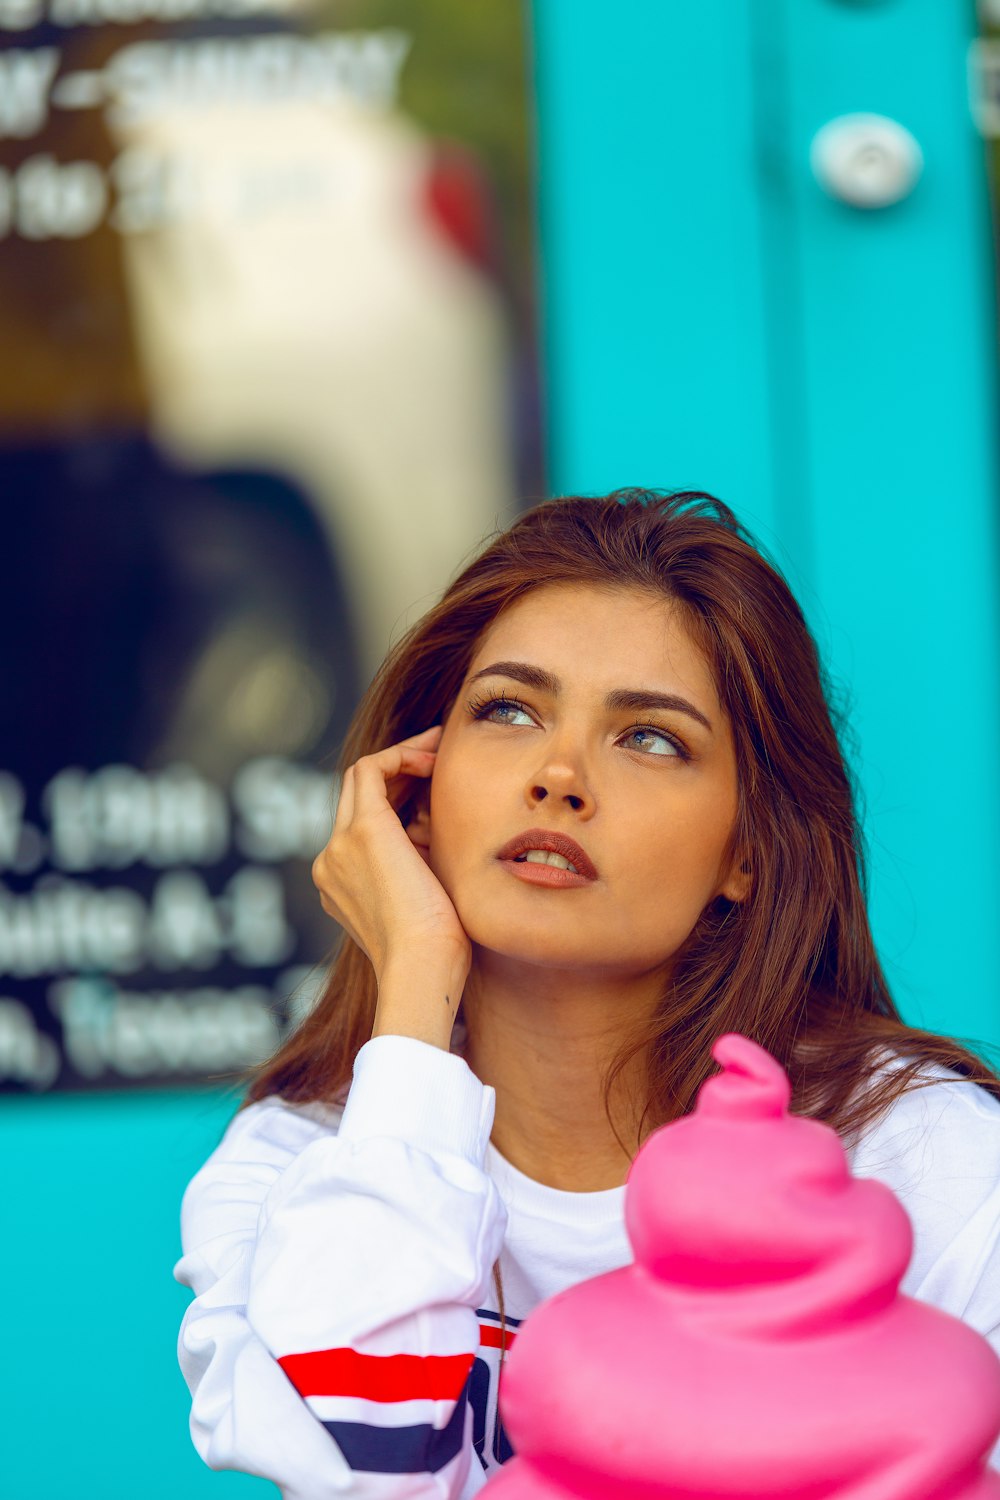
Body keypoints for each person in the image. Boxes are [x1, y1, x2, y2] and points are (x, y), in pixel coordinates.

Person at [175, 489, 1000, 1498]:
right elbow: (363, 1458)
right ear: (415, 797)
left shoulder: (924, 1162)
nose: (558, 775)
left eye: (650, 737)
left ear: (746, 851)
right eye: (508, 711)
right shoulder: (306, 1157)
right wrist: (415, 989)